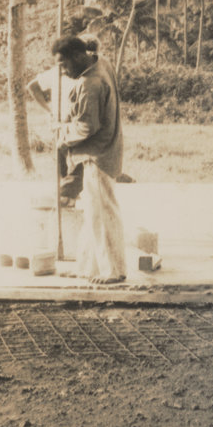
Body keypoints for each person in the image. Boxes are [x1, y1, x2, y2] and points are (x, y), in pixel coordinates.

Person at [53, 35, 125, 285]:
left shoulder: (88, 84)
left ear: (77, 57)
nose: (62, 70)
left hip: (98, 154)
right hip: (107, 148)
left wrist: (61, 133)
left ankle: (112, 271)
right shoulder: (102, 62)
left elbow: (86, 127)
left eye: (63, 64)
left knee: (102, 213)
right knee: (93, 212)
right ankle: (87, 267)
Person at [28, 64, 83, 205]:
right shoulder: (55, 73)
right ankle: (65, 195)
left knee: (78, 158)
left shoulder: (84, 74)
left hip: (76, 122)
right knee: (62, 156)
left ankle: (67, 194)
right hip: (60, 121)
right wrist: (49, 110)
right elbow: (32, 87)